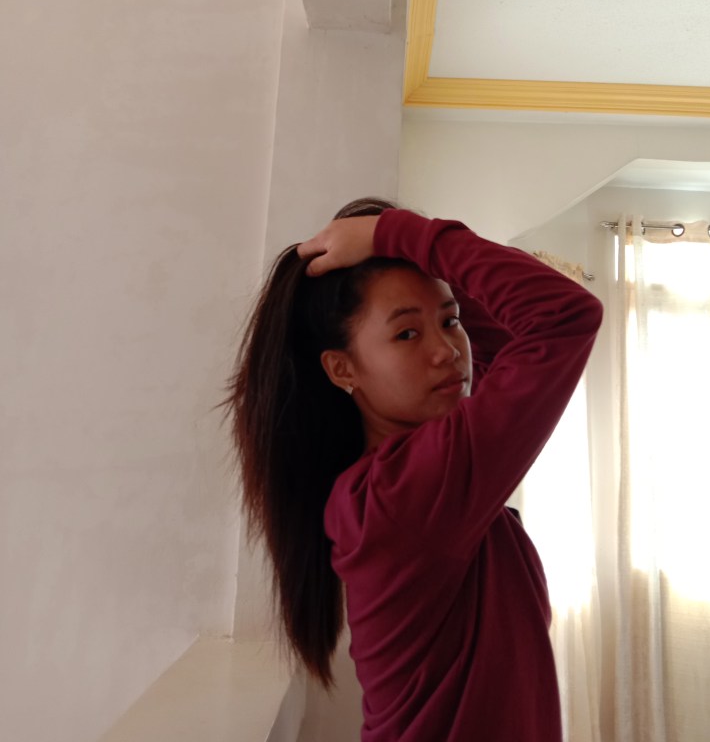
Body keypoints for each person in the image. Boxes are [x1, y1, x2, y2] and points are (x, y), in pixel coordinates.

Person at [224, 198, 603, 741]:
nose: (446, 351)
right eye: (406, 334)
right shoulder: (406, 492)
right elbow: (563, 317)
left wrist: (408, 251)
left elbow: (508, 340)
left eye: (450, 322)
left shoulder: (401, 477)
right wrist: (402, 236)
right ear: (342, 369)